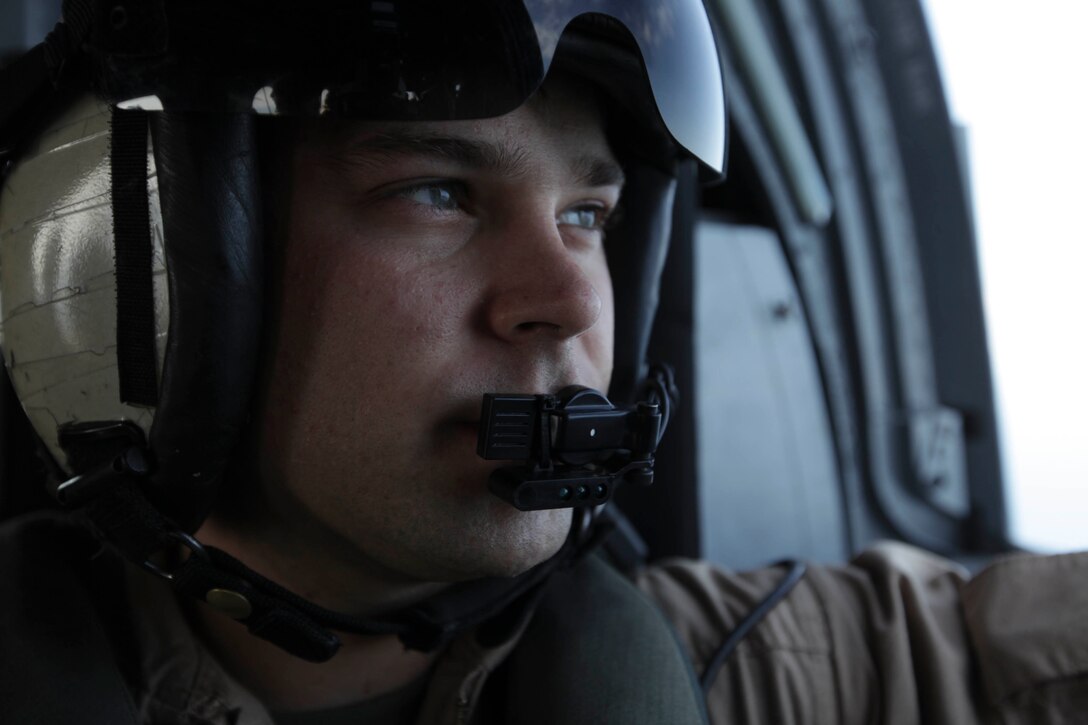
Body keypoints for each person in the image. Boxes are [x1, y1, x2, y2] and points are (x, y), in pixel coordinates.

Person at [0, 2, 1084, 724]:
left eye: (585, 214)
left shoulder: (771, 674)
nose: (567, 303)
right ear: (145, 265)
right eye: (437, 192)